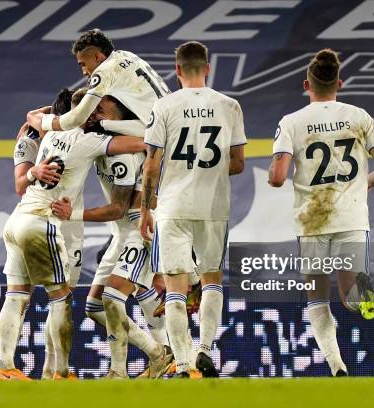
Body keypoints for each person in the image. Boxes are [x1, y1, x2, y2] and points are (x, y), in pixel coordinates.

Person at [0, 88, 145, 381]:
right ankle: (61, 372)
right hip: (43, 222)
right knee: (60, 298)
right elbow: (142, 141)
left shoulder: (49, 132)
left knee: (15, 296)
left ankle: (5, 367)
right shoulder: (88, 139)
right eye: (93, 113)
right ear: (84, 115)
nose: (96, 118)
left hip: (15, 220)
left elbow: (34, 118)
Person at [268, 49, 374, 376]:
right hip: (352, 216)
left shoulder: (292, 122)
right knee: (348, 294)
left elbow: (277, 176)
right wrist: (365, 183)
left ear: (306, 85)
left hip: (312, 220)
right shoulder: (359, 116)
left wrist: (277, 171)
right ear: (339, 82)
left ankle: (337, 366)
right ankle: (362, 291)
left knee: (317, 297)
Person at [140, 41, 246, 378]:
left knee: (175, 287)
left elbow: (151, 166)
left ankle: (184, 365)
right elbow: (238, 163)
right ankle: (204, 349)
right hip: (214, 205)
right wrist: (208, 171)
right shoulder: (229, 105)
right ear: (208, 68)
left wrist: (145, 209)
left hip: (173, 205)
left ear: (178, 69)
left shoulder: (164, 106)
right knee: (212, 278)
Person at [51, 95, 173, 379]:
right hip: (121, 235)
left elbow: (119, 207)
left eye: (97, 111)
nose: (90, 117)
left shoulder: (124, 153)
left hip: (141, 230)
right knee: (94, 307)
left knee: (113, 298)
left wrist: (74, 215)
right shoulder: (101, 144)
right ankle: (159, 353)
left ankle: (120, 371)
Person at [26, 28, 169, 136]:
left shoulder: (104, 71)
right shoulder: (127, 55)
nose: (84, 71)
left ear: (98, 57)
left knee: (95, 126)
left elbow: (77, 118)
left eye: (83, 64)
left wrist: (44, 122)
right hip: (174, 120)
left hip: (160, 132)